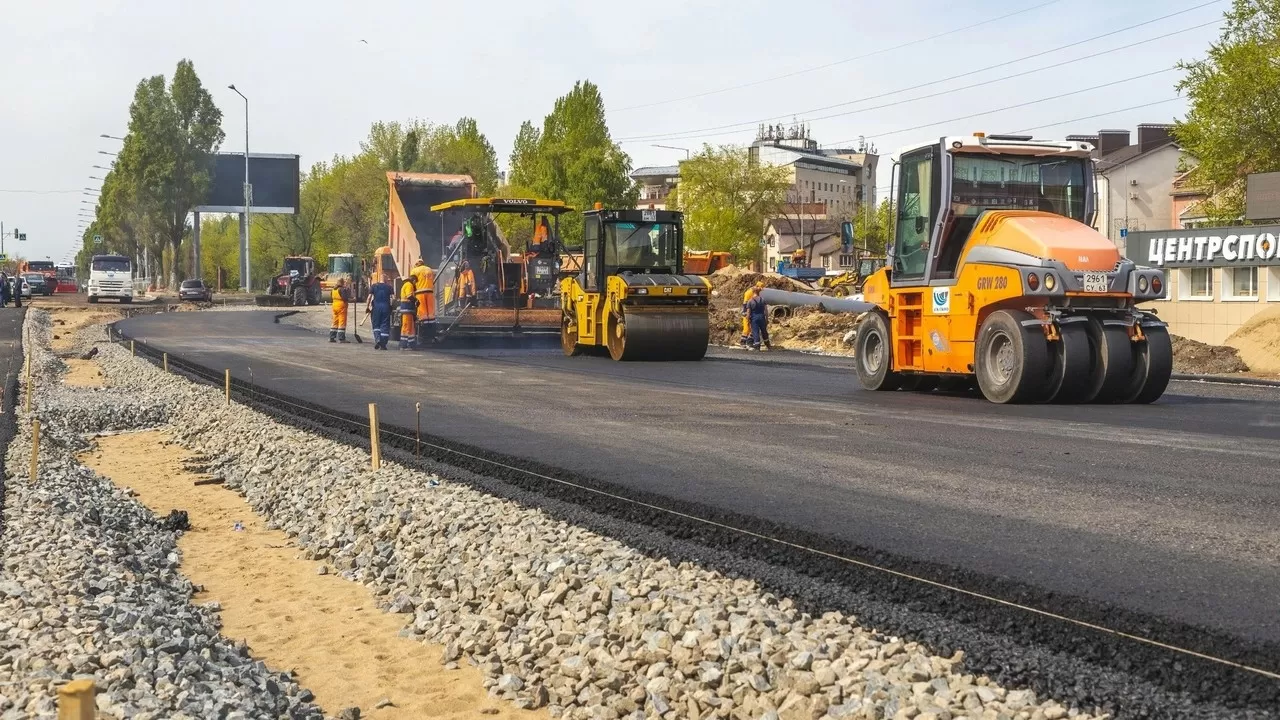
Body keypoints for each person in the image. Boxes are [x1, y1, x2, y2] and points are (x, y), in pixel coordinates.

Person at [410, 259, 436, 340]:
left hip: (420, 293)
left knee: (422, 313)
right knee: (430, 313)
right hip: (430, 292)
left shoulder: (415, 270)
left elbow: (412, 282)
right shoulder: (429, 269)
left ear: (417, 264)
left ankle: (422, 331)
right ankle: (431, 331)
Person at [366, 275, 394, 350]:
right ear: (385, 280)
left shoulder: (374, 286)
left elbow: (369, 297)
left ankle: (378, 339)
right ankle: (383, 344)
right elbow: (392, 299)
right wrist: (391, 307)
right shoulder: (389, 287)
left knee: (376, 324)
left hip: (376, 308)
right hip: (386, 307)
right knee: (385, 325)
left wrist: (367, 307)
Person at [747, 282, 771, 351]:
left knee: (755, 332)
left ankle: (757, 346)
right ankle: (768, 345)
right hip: (762, 317)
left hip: (754, 319)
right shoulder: (762, 300)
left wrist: (748, 319)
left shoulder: (750, 301)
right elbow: (766, 310)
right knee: (764, 331)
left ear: (753, 292)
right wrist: (766, 318)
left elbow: (748, 312)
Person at [397, 276, 417, 350]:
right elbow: (409, 296)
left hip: (407, 309)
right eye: (415, 282)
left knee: (410, 327)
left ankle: (411, 344)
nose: (415, 283)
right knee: (406, 327)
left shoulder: (406, 284)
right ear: (413, 280)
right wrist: (416, 300)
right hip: (407, 308)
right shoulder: (409, 285)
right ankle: (403, 344)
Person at [329, 278, 351, 343]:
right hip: (341, 307)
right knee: (342, 322)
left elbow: (331, 297)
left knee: (335, 322)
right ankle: (341, 338)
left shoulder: (333, 289)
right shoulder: (341, 289)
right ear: (342, 283)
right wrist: (352, 299)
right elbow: (345, 298)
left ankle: (332, 337)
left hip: (334, 306)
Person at [740, 282, 758, 347]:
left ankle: (750, 342)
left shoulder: (757, 293)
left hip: (753, 313)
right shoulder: (748, 293)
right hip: (747, 313)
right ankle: (743, 342)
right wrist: (746, 313)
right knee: (746, 328)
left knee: (753, 328)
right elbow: (745, 304)